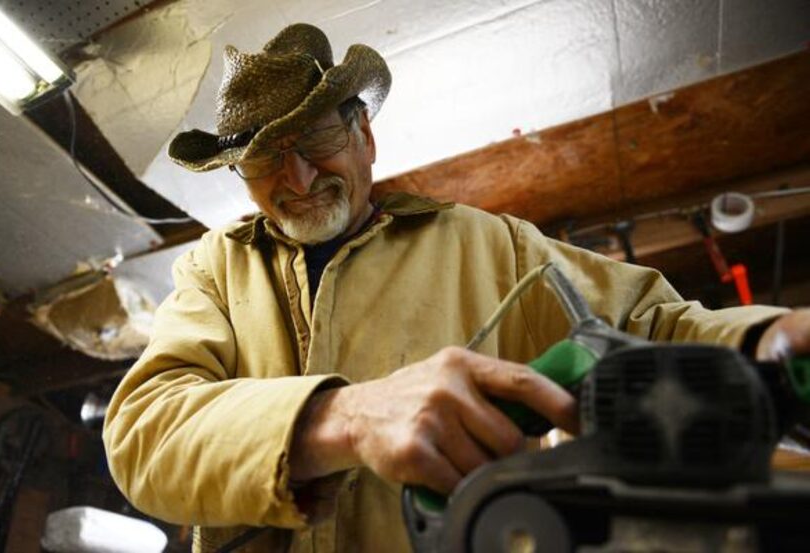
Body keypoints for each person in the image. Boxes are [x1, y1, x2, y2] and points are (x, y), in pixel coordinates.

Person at [103, 23, 810, 552]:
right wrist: (345, 418)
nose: (296, 179)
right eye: (264, 161)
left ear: (363, 135)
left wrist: (765, 337)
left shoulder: (491, 243)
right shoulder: (214, 270)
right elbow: (144, 435)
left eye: (317, 137)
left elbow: (656, 324)